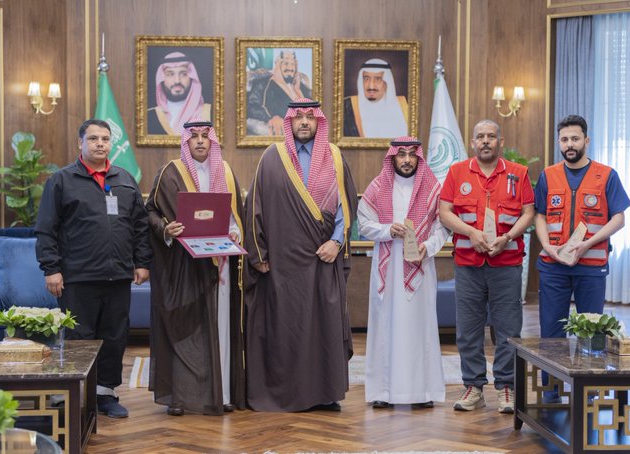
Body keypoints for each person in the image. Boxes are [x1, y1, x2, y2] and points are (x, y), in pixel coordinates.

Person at [244, 98, 358, 412]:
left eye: (310, 116)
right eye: (299, 117)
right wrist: (259, 254)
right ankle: (284, 394)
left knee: (324, 326)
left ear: (319, 121)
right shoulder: (272, 157)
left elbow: (346, 206)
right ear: (289, 121)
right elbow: (254, 207)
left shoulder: (334, 157)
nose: (304, 122)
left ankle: (324, 394)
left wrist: (336, 242)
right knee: (285, 327)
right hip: (282, 265)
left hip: (323, 260)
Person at [35, 119, 152, 418]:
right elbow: (46, 228)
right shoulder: (61, 180)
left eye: (105, 139)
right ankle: (76, 394)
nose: (100, 143)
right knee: (79, 338)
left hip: (118, 277)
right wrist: (51, 268)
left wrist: (142, 262)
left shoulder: (125, 179)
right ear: (80, 143)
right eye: (93, 138)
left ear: (111, 143)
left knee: (114, 337)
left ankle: (105, 395)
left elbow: (140, 226)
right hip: (77, 278)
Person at [145, 120, 246, 416]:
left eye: (205, 136)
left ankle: (222, 394)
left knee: (220, 327)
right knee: (185, 329)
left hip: (219, 264)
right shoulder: (170, 172)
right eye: (194, 137)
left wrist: (235, 232)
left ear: (212, 141)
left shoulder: (224, 171)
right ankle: (180, 397)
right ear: (185, 142)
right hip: (182, 266)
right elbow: (150, 211)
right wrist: (165, 229)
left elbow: (234, 216)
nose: (200, 141)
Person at [439, 119, 534, 414]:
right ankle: (473, 387)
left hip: (506, 263)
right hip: (468, 264)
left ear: (500, 142)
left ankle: (506, 387)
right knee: (468, 329)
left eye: (491, 136)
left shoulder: (519, 173)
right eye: (480, 136)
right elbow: (444, 212)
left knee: (508, 329)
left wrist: (508, 237)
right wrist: (470, 233)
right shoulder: (457, 172)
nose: (485, 141)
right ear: (472, 142)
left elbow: (528, 213)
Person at [534, 115, 630, 402]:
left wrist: (588, 243)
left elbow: (619, 218)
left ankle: (589, 393)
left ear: (586, 140)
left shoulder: (607, 175)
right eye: (564, 139)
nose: (570, 144)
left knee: (593, 331)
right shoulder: (548, 175)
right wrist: (547, 246)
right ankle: (551, 392)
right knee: (552, 330)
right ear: (559, 142)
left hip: (592, 266)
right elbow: (539, 215)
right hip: (553, 266)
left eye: (575, 139)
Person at [358, 137, 448, 409]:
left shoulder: (433, 189)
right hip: (388, 267)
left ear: (419, 157)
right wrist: (387, 230)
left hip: (420, 265)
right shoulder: (377, 187)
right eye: (401, 154)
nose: (407, 160)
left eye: (411, 154)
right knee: (385, 326)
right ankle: (383, 392)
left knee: (421, 327)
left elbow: (442, 228)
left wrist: (427, 247)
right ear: (393, 157)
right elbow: (364, 224)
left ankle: (422, 392)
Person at [247, 50, 312, 136]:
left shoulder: (301, 86)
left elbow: (314, 111)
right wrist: (271, 118)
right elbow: (252, 106)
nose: (290, 68)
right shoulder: (263, 84)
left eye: (293, 64)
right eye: (286, 63)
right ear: (278, 65)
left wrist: (298, 91)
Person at [148, 52, 212, 136]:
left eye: (184, 74)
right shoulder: (149, 116)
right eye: (170, 74)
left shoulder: (210, 113)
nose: (177, 81)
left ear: (192, 77)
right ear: (161, 79)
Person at [343, 58, 408, 138]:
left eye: (378, 79)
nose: (371, 86)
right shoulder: (346, 107)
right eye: (366, 79)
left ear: (387, 82)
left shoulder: (405, 106)